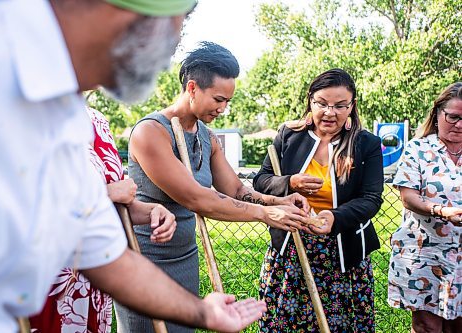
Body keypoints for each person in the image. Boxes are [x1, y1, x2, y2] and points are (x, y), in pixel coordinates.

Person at [0, 1, 266, 332]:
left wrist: (204, 314)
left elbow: (104, 254)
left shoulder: (68, 111)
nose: (166, 60)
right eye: (171, 34)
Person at [118, 41, 311, 333]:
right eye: (218, 99)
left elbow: (235, 190)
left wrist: (278, 203)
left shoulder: (207, 136)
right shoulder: (150, 132)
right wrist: (264, 216)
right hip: (146, 262)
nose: (224, 108)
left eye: (228, 101)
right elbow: (198, 199)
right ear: (193, 88)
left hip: (185, 257)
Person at [253, 68, 384, 332]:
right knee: (286, 322)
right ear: (310, 101)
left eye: (340, 105)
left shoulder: (366, 144)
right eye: (322, 104)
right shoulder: (289, 136)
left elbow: (371, 199)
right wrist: (290, 182)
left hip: (343, 252)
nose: (329, 112)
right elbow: (261, 180)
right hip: (293, 247)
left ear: (352, 106)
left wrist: (334, 218)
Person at [29, 106, 177, 333]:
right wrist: (106, 192)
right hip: (47, 280)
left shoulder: (96, 119)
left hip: (93, 280)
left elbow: (117, 204)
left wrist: (152, 211)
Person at [388, 82, 462, 333]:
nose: (459, 124)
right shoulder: (418, 149)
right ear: (437, 113)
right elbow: (408, 197)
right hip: (423, 253)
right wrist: (442, 211)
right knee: (427, 326)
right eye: (453, 117)